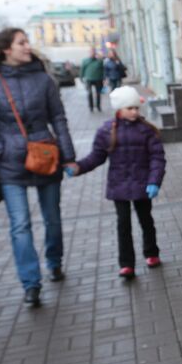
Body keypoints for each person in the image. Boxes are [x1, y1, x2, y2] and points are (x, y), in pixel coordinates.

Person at [0, 29, 75, 308]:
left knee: (52, 217)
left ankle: (54, 261)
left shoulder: (43, 79)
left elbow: (58, 118)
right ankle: (31, 283)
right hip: (10, 161)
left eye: (27, 42)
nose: (27, 46)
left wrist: (68, 155)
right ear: (5, 49)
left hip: (45, 154)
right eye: (21, 43)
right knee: (20, 225)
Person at [67, 86, 165, 281]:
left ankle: (151, 252)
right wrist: (79, 168)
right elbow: (97, 156)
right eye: (130, 108)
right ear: (119, 109)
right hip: (119, 186)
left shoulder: (146, 130)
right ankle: (126, 264)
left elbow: (157, 158)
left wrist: (154, 181)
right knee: (123, 224)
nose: (134, 112)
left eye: (136, 108)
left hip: (142, 184)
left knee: (146, 220)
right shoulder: (107, 131)